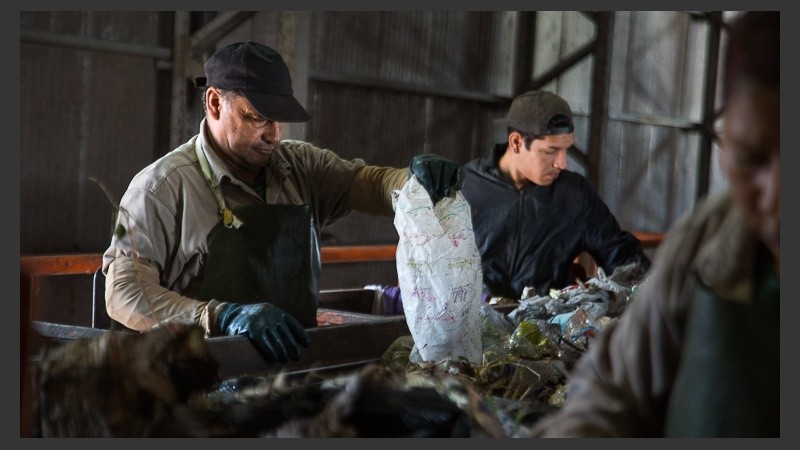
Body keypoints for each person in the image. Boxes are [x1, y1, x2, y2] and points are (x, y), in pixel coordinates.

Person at [101, 41, 462, 365]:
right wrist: (219, 316)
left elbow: (369, 183)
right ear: (214, 102)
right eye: (257, 117)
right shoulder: (161, 188)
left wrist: (414, 181)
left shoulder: (299, 167)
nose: (274, 135)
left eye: (279, 120)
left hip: (291, 368)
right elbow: (124, 293)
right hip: (196, 374)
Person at [530, 11, 779, 437]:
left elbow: (618, 249)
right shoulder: (709, 242)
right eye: (748, 158)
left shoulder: (575, 195)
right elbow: (612, 394)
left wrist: (628, 280)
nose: (775, 199)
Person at [459, 90, 650, 301]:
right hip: (474, 318)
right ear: (516, 143)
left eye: (566, 149)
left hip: (546, 318)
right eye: (551, 151)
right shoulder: (463, 189)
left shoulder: (574, 195)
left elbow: (622, 257)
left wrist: (654, 295)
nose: (562, 163)